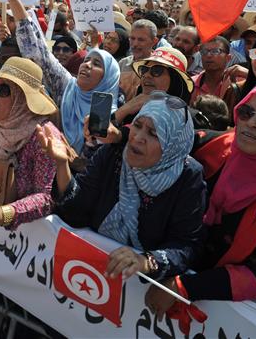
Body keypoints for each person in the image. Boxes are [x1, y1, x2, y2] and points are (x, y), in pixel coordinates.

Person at [145, 84, 256, 316]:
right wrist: (119, 131)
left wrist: (183, 287)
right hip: (172, 271)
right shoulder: (213, 146)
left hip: (230, 314)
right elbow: (155, 139)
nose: (252, 122)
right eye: (245, 112)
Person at [45, 93, 206, 281]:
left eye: (153, 134)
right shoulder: (112, 154)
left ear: (172, 145)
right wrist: (62, 165)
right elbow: (76, 212)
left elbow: (186, 246)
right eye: (137, 125)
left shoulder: (188, 177)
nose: (138, 137)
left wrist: (145, 262)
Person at [1, 0, 120, 154]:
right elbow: (39, 53)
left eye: (97, 64)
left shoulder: (115, 113)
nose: (87, 65)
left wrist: (115, 137)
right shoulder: (66, 86)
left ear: (108, 78)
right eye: (87, 60)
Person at [0, 57, 61, 230]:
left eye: (3, 90)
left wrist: (4, 213)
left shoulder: (43, 136)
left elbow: (45, 198)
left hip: (22, 240)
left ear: (22, 98)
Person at [119, 19, 159, 101]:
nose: (135, 44)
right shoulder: (122, 63)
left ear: (154, 41)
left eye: (141, 40)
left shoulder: (159, 68)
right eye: (132, 38)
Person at [190, 36, 232, 104]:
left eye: (215, 51)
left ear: (228, 58)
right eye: (204, 51)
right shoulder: (190, 84)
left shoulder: (236, 84)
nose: (209, 55)